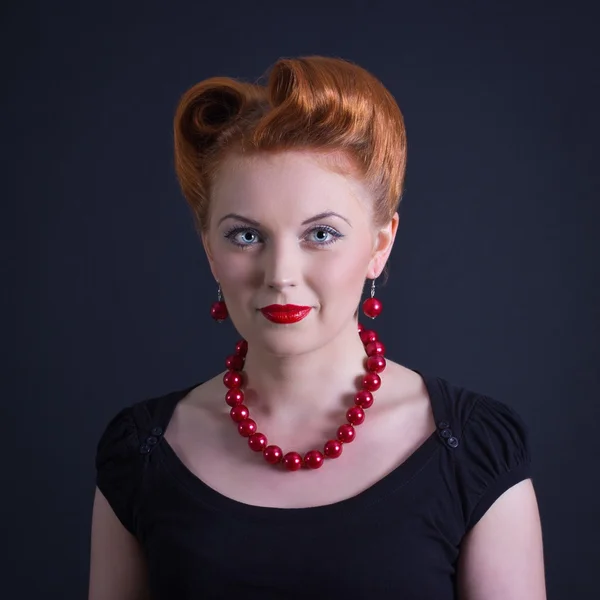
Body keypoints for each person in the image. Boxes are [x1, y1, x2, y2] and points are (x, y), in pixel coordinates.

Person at [88, 55, 546, 599]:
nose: (281, 275)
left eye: (321, 234)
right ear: (209, 249)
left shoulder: (473, 449)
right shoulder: (141, 450)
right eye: (245, 236)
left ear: (380, 245)